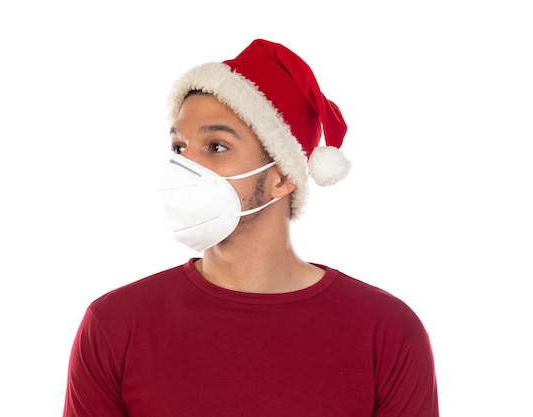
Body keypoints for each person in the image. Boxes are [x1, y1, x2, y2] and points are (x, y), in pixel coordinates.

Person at [62, 39, 439, 417]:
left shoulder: (387, 333)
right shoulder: (114, 325)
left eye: (217, 146)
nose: (185, 167)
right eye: (179, 148)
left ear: (283, 177)